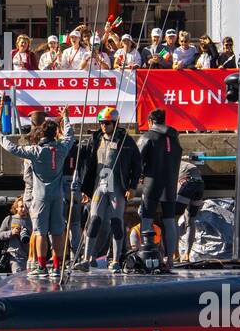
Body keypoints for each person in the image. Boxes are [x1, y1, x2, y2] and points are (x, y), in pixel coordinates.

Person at [0, 108, 76, 278]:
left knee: (40, 232)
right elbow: (70, 135)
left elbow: (12, 148)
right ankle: (57, 267)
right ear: (55, 134)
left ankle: (41, 266)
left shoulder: (35, 151)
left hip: (40, 197)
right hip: (58, 196)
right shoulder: (62, 148)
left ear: (41, 134)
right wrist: (66, 117)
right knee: (57, 232)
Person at [72, 106, 141, 273]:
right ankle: (87, 259)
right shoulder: (94, 139)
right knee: (94, 219)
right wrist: (83, 187)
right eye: (101, 123)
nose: (104, 126)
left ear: (115, 123)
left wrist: (132, 186)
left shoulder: (126, 140)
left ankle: (116, 260)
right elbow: (84, 163)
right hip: (99, 185)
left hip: (117, 186)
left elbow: (137, 164)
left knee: (116, 221)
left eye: (107, 123)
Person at [137, 108, 183, 265]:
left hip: (152, 183)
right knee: (170, 220)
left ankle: (144, 255)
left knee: (147, 219)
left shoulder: (148, 136)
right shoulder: (174, 138)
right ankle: (170, 258)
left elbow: (137, 160)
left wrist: (136, 178)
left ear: (150, 121)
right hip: (170, 184)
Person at [0, 198, 32, 273]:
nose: (24, 209)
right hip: (15, 257)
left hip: (31, 258)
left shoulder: (32, 220)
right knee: (19, 282)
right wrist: (11, 232)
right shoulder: (9, 219)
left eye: (26, 206)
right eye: (21, 206)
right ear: (16, 207)